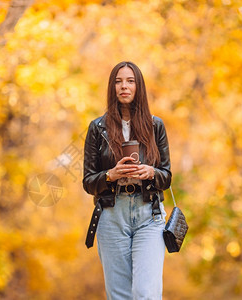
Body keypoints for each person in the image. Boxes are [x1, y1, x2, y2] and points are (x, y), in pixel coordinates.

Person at [83, 61, 172, 299]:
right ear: (112, 87)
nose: (124, 86)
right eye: (118, 81)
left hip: (149, 215)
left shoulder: (155, 126)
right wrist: (110, 175)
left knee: (145, 293)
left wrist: (151, 173)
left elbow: (167, 176)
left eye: (130, 81)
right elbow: (88, 181)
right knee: (120, 295)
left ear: (138, 86)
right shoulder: (97, 128)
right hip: (112, 215)